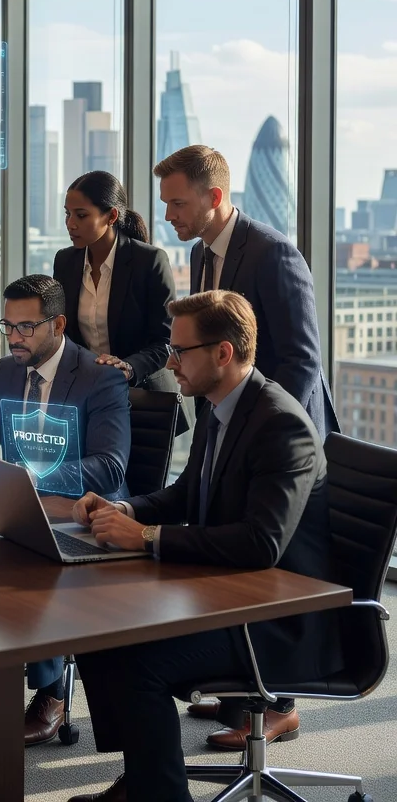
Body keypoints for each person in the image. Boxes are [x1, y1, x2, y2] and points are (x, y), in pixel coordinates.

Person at [65, 290, 339, 802]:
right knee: (100, 631)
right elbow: (189, 493)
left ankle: (161, 795)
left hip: (281, 619)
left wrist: (147, 539)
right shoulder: (222, 407)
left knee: (139, 663)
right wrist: (126, 510)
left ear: (223, 354)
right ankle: (145, 780)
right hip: (231, 594)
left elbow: (261, 544)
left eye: (180, 352)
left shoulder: (281, 425)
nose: (170, 362)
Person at [155, 143, 339, 743]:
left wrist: (253, 423)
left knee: (268, 557)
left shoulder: (272, 253)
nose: (169, 216)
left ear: (214, 197)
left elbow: (303, 361)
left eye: (178, 203)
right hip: (234, 420)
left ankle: (276, 702)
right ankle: (240, 685)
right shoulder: (202, 253)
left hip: (279, 432)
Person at [0, 273, 129, 748]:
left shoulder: (100, 378)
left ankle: (51, 693)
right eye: (7, 326)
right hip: (26, 507)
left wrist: (37, 478)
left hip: (85, 515)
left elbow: (109, 468)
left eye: (26, 327)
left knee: (20, 559)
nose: (14, 338)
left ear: (59, 324)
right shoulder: (6, 371)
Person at [54, 171, 175, 391]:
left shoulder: (150, 261)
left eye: (81, 215)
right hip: (89, 394)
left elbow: (166, 342)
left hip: (144, 396)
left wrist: (129, 367)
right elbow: (64, 334)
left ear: (111, 217)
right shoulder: (65, 261)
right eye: (67, 214)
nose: (70, 224)